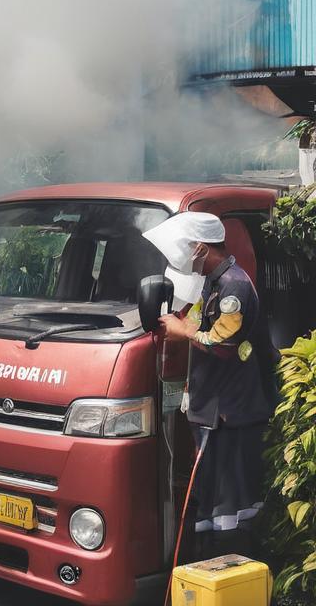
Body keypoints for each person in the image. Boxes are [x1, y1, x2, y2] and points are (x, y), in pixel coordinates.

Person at [144, 211, 278, 560]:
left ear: (202, 248)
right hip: (211, 412)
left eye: (187, 250)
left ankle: (234, 568)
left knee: (231, 506)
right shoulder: (212, 282)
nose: (185, 258)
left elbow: (222, 344)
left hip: (230, 415)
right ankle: (209, 568)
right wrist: (176, 323)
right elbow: (197, 320)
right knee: (209, 501)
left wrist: (182, 330)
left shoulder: (234, 285)